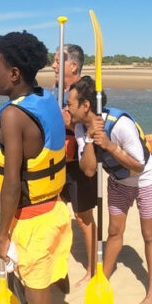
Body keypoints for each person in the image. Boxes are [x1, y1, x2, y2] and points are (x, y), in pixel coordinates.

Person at [0, 31, 71, 304]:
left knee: (36, 295)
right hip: (54, 209)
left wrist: (2, 236)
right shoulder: (45, 97)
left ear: (14, 74)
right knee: (42, 286)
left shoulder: (12, 117)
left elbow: (10, 186)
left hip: (33, 219)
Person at [67, 76, 152, 304]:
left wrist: (109, 146)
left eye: (70, 104)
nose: (67, 109)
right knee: (114, 232)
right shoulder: (81, 128)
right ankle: (103, 278)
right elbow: (89, 170)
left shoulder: (120, 124)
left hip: (144, 181)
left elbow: (138, 165)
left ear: (86, 105)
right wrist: (90, 140)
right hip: (119, 182)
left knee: (149, 235)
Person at [51, 45, 98, 288]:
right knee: (55, 215)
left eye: (58, 61)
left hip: (80, 165)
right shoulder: (56, 90)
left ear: (73, 66)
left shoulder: (86, 91)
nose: (53, 65)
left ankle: (92, 269)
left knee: (83, 217)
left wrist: (68, 123)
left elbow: (93, 124)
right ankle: (57, 267)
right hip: (57, 165)